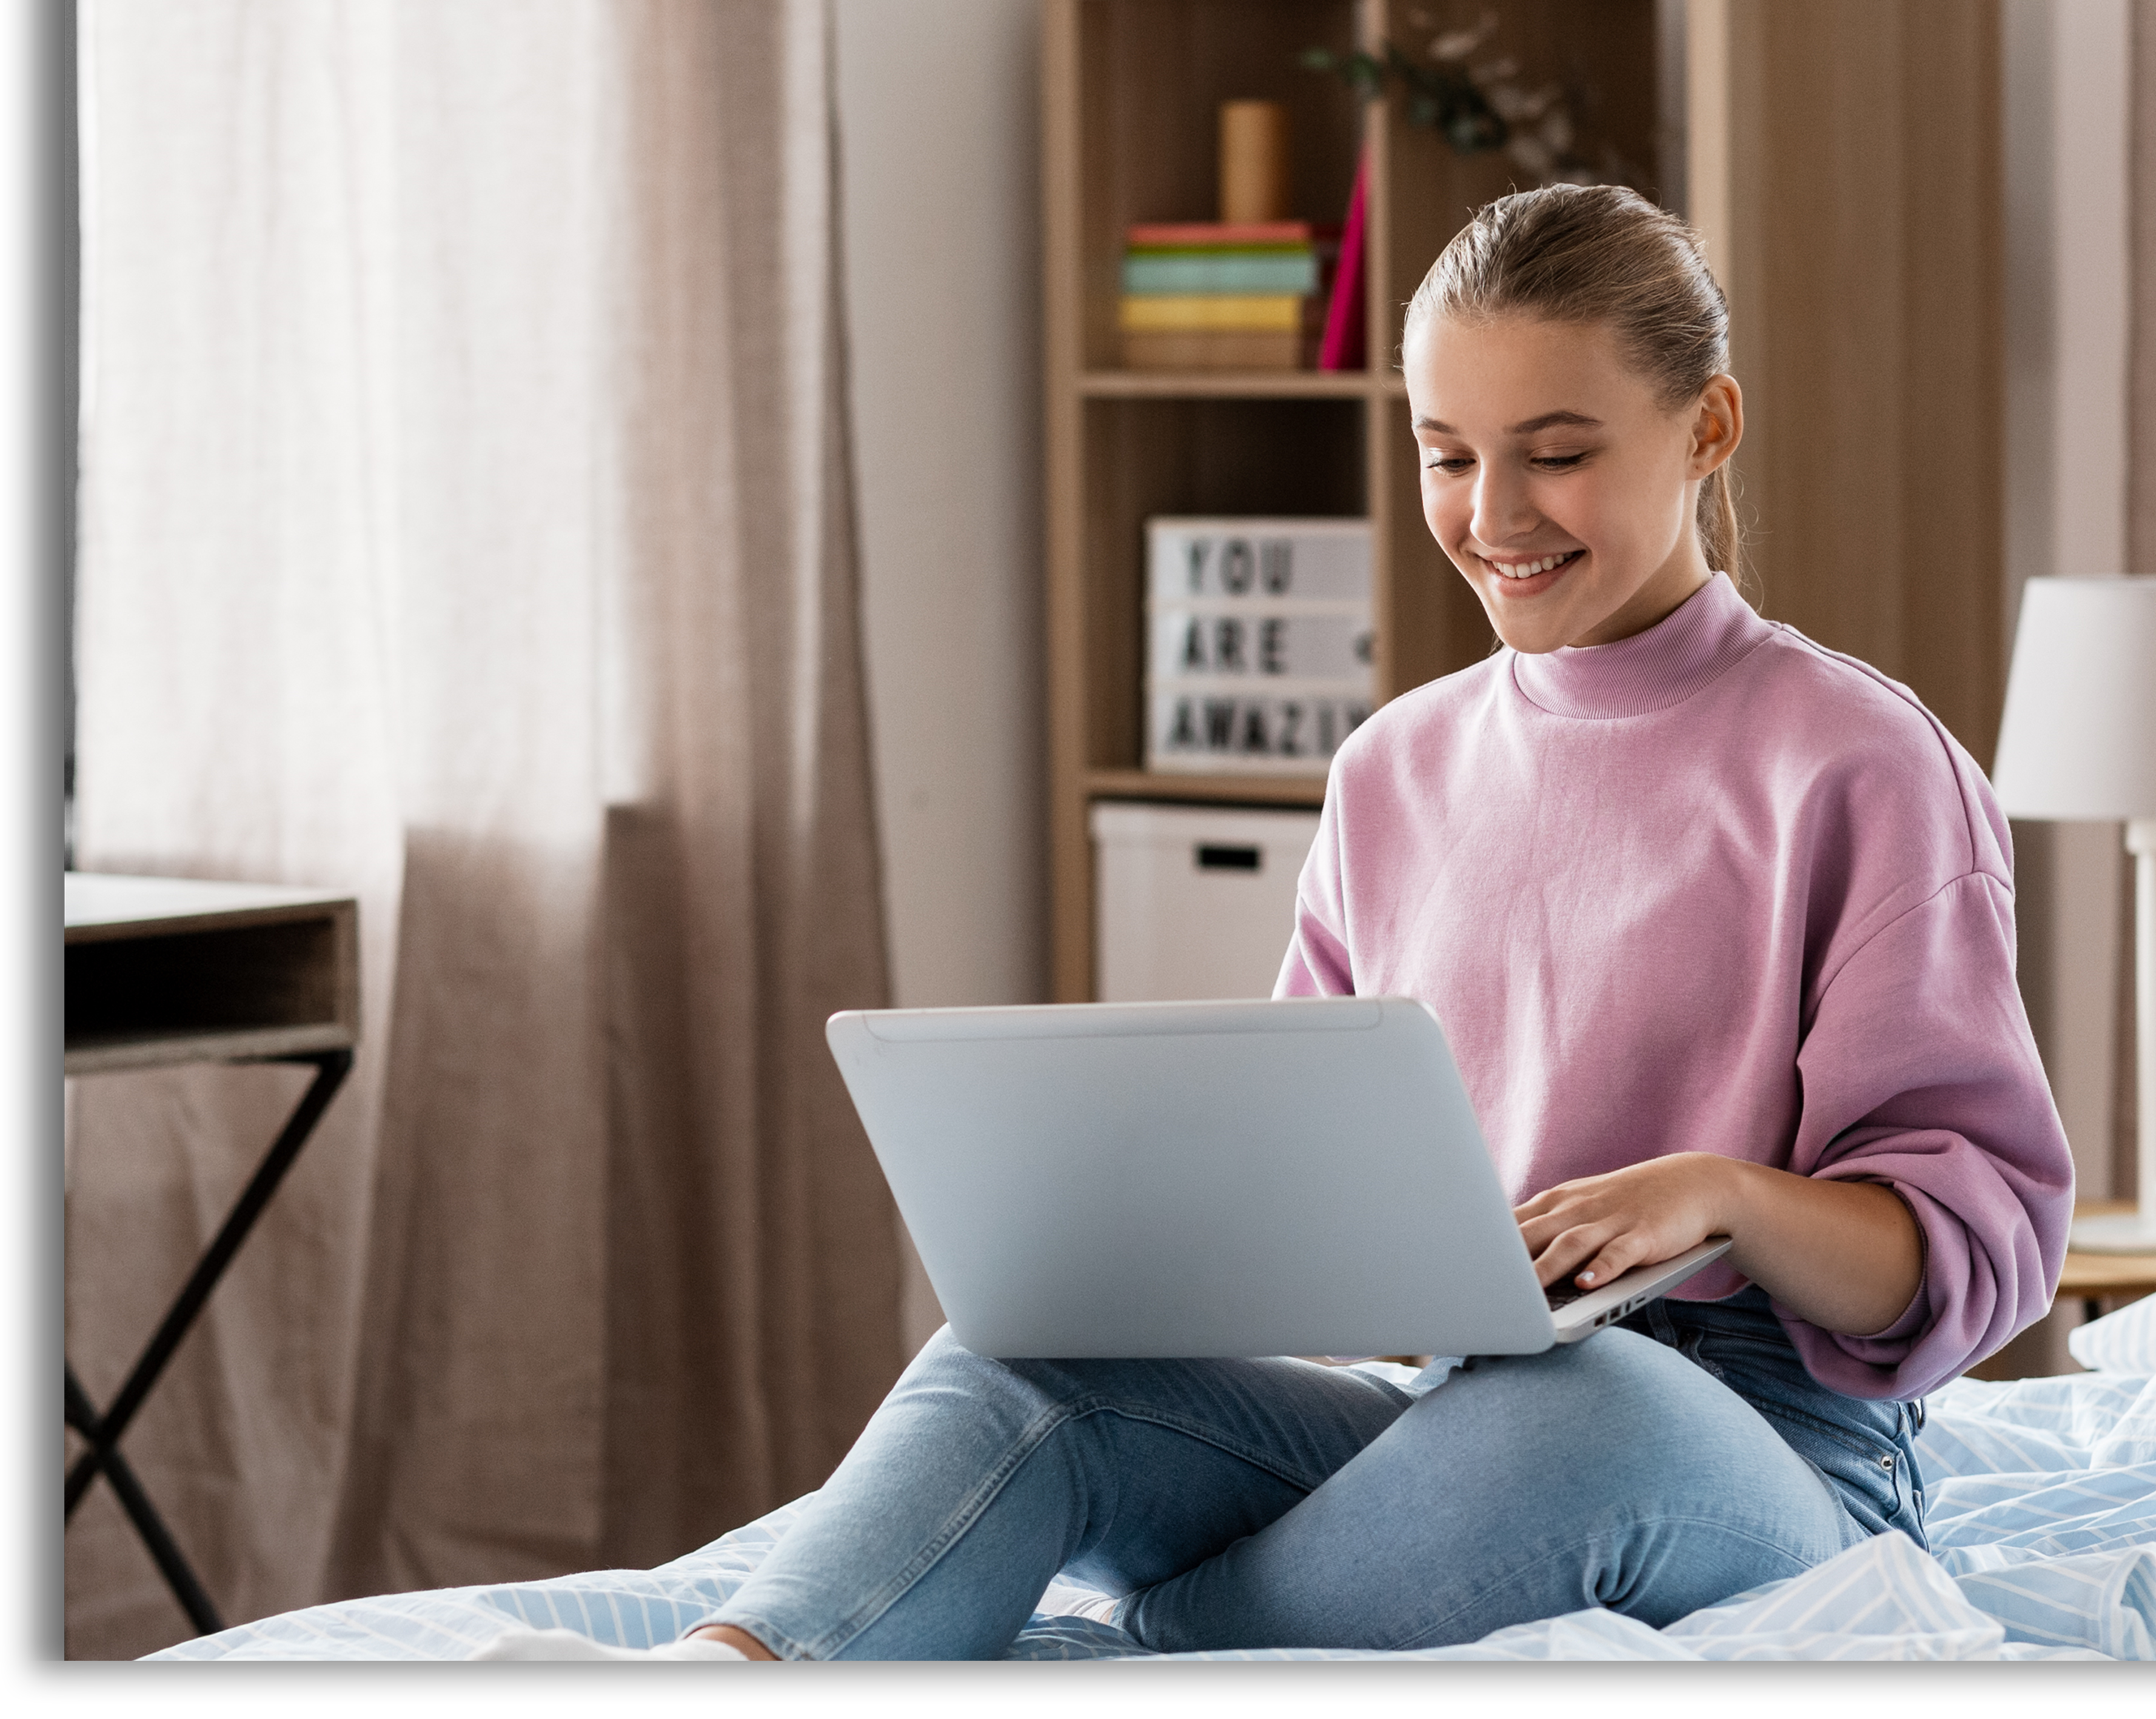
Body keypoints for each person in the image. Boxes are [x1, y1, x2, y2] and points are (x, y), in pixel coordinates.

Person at [503, 184, 2071, 1661]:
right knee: (1010, 1366)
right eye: (1448, 454)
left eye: (1556, 451)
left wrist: (1715, 1195)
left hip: (1756, 1453)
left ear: (1706, 427)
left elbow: (1971, 1256)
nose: (1493, 512)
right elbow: (1298, 1184)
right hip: (1442, 1410)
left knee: (1592, 1406)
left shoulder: (1853, 759)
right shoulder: (1396, 765)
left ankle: (1142, 1639)